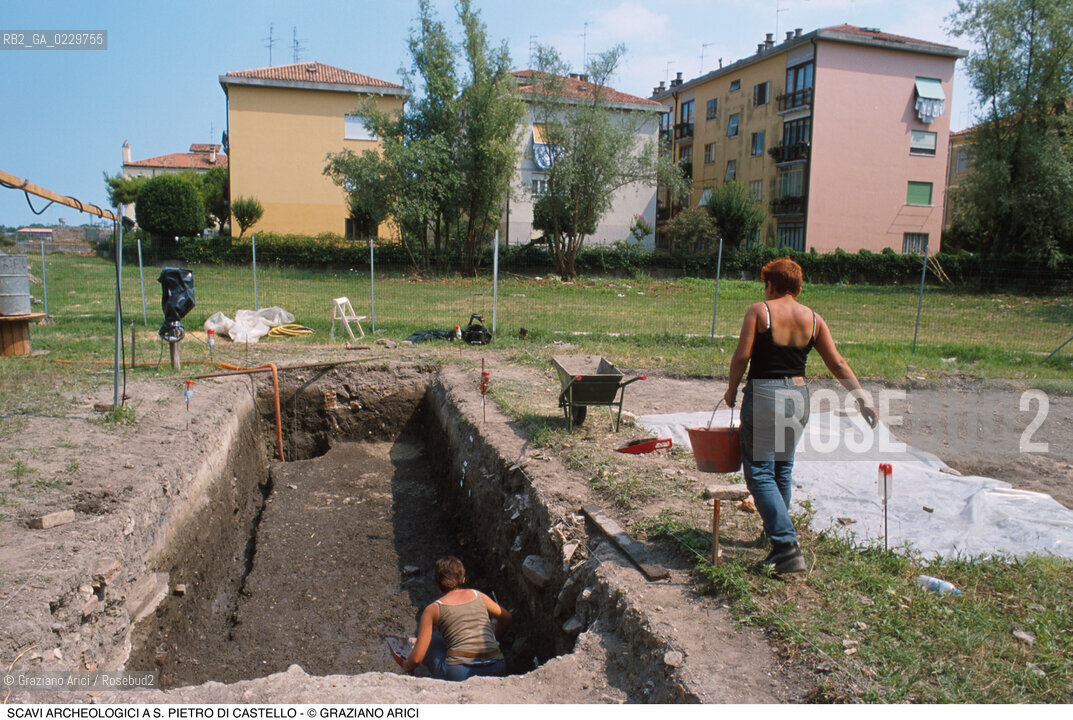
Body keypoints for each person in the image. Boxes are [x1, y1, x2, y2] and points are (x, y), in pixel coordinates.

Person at [724, 257, 877, 574]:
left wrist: (730, 390)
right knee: (782, 468)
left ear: (771, 285)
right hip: (798, 395)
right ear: (796, 287)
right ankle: (774, 537)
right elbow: (837, 363)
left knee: (760, 472)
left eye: (765, 284)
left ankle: (785, 547)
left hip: (765, 394)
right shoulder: (814, 319)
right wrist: (862, 399)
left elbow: (742, 356)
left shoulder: (760, 311)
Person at [402, 556, 511, 681]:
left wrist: (408, 665)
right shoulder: (477, 595)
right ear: (463, 579)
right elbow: (506, 617)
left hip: (460, 673)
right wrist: (495, 639)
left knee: (431, 641)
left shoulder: (433, 609)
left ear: (437, 583)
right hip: (497, 667)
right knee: (443, 641)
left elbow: (416, 659)